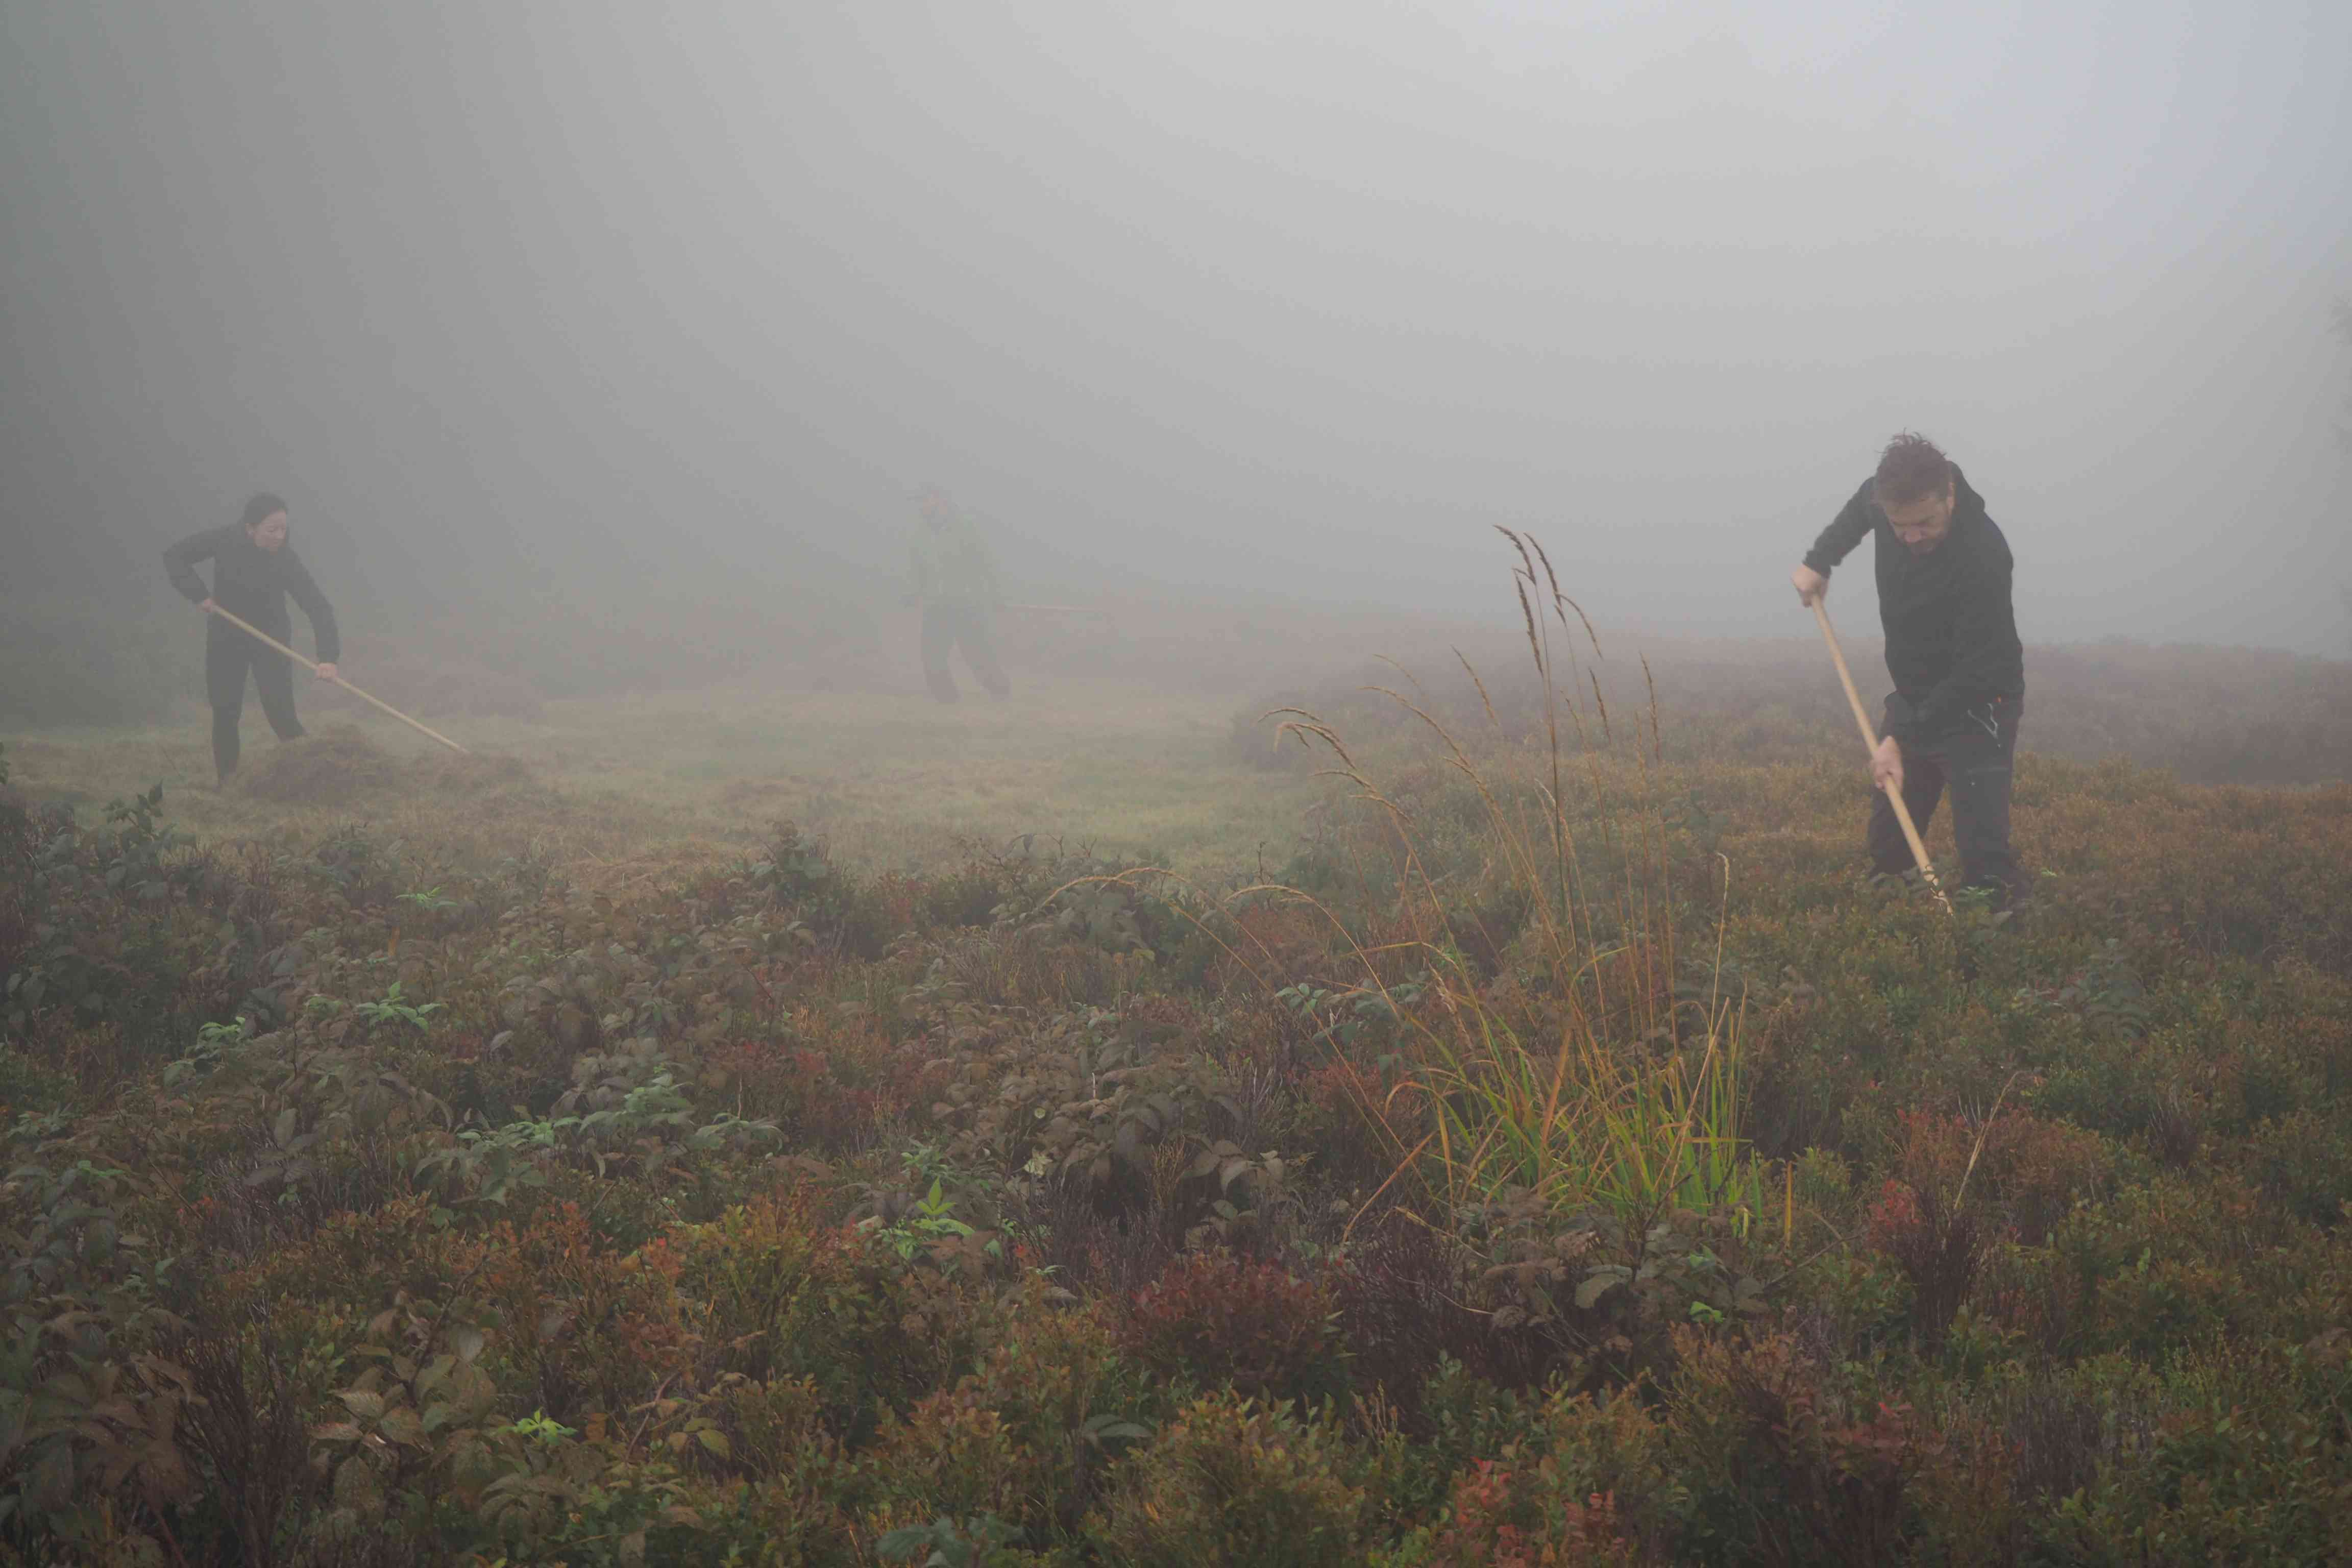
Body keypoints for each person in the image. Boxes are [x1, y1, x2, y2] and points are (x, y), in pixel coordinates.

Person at [1790, 433, 2026, 906]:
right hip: (1915, 698)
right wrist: (1819, 563)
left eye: (1925, 522)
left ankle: (1996, 960)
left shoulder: (1984, 555)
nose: (1912, 535)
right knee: (1889, 851)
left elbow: (1975, 671)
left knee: (1984, 862)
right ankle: (1904, 946)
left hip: (1980, 707)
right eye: (1901, 526)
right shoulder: (1882, 503)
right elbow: (1861, 507)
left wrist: (1900, 737)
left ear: (1950, 497)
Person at [163, 493, 341, 786]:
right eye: (272, 529)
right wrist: (199, 594)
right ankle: (228, 784)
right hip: (226, 637)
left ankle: (315, 781)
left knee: (281, 713)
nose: (279, 536)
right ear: (250, 528)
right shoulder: (224, 540)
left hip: (271, 640)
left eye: (284, 529)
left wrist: (328, 658)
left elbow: (317, 606)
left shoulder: (285, 558)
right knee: (225, 711)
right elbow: (175, 556)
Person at [908, 484, 1010, 702]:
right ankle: (947, 703)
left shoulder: (966, 528)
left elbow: (987, 563)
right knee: (931, 657)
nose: (921, 506)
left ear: (940, 500)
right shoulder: (919, 534)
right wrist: (912, 593)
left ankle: (1000, 692)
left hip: (967, 605)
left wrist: (997, 595)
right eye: (919, 501)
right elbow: (918, 569)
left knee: (977, 656)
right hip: (936, 607)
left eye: (925, 500)